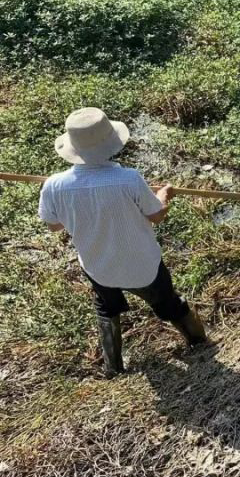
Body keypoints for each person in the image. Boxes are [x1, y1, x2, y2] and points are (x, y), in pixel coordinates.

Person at [38, 107, 208, 378]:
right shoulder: (128, 178)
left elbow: (53, 225)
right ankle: (198, 342)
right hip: (143, 265)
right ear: (111, 144)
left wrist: (71, 206)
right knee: (169, 303)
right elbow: (157, 216)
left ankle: (113, 367)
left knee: (106, 309)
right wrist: (164, 194)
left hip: (98, 268)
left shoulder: (54, 185)